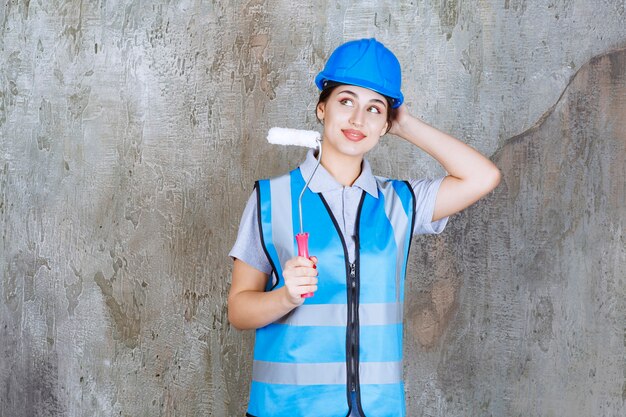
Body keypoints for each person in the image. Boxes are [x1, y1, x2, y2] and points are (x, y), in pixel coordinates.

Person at [228, 38, 500, 417]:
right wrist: (285, 297)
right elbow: (238, 310)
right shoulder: (271, 199)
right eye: (346, 101)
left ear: (386, 123)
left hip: (378, 410)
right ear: (322, 108)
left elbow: (483, 176)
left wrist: (405, 124)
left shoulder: (400, 203)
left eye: (374, 109)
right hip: (287, 409)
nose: (358, 119)